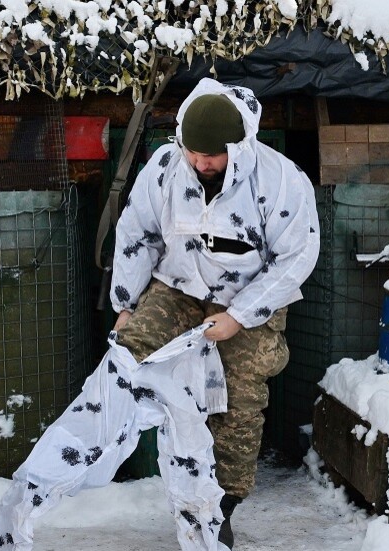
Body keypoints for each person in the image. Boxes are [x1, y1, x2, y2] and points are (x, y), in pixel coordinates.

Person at [110, 77, 320, 548]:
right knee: (127, 356)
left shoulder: (281, 180)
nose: (201, 164)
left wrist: (240, 315)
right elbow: (137, 234)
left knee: (240, 391)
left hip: (249, 295)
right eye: (193, 154)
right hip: (177, 285)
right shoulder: (165, 166)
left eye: (211, 156)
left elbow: (297, 258)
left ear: (239, 146)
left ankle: (219, 508)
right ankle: (86, 466)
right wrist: (125, 305)